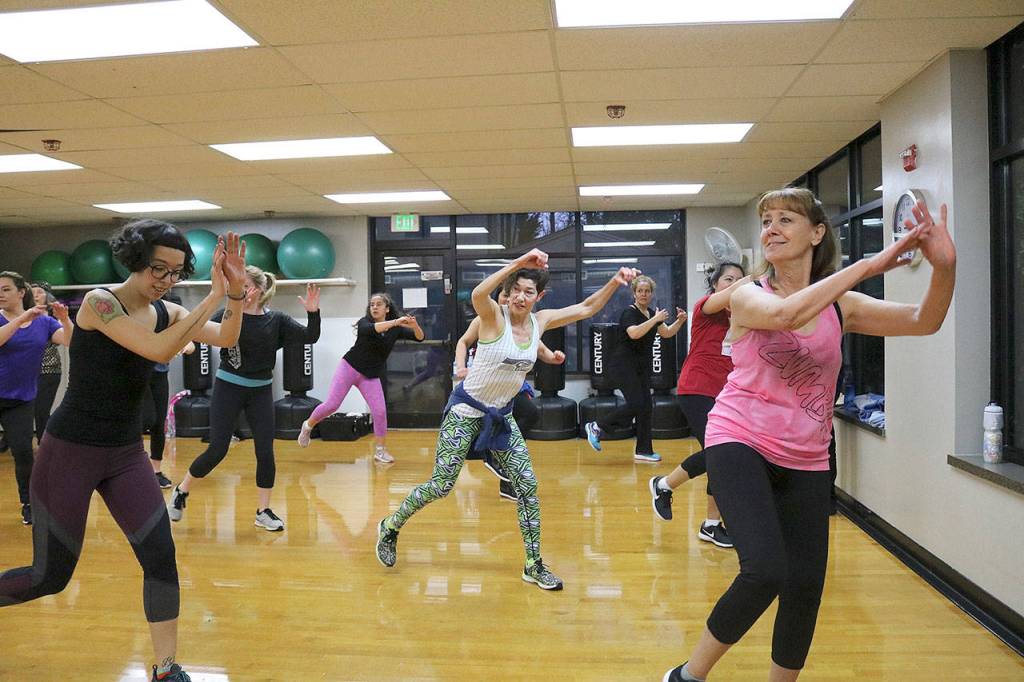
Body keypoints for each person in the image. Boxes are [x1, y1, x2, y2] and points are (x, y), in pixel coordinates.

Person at [664, 188, 955, 682]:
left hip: (807, 457)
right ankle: (688, 676)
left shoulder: (842, 306)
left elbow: (923, 321)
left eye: (786, 220)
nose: (771, 228)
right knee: (765, 571)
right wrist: (869, 266)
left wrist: (945, 266)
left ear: (817, 233)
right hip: (740, 438)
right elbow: (786, 315)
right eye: (767, 221)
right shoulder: (747, 293)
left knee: (804, 585)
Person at [0, 219, 247, 682]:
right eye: (158, 268)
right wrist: (211, 296)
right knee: (48, 577)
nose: (166, 280)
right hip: (69, 451)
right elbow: (156, 351)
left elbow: (226, 338)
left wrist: (233, 293)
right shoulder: (99, 302)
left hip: (124, 453)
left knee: (160, 557)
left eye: (175, 272)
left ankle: (166, 668)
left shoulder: (168, 312)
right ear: (135, 261)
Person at [375, 249, 637, 591]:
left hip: (502, 417)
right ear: (510, 291)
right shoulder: (491, 317)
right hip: (465, 413)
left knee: (527, 486)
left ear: (538, 297)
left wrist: (615, 283)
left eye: (530, 292)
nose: (522, 297)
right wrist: (517, 265)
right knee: (441, 485)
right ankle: (391, 526)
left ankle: (533, 564)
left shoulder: (539, 322)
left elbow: (585, 308)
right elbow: (477, 294)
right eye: (518, 290)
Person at [169, 267, 321, 532]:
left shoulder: (277, 320)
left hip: (260, 391)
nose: (239, 291)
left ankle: (263, 511)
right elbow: (200, 332)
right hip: (228, 388)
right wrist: (185, 340)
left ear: (259, 290)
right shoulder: (228, 315)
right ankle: (182, 491)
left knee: (265, 451)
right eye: (237, 287)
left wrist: (313, 311)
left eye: (245, 286)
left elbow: (311, 336)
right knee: (218, 449)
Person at [648, 262, 748, 548]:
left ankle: (672, 492)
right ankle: (673, 493)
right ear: (715, 284)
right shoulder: (706, 307)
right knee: (719, 454)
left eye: (738, 279)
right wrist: (756, 278)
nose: (734, 284)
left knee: (721, 457)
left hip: (726, 394)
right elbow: (728, 296)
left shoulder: (741, 315)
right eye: (728, 279)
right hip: (697, 389)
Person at [454, 277, 566, 501]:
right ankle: (491, 454)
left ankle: (503, 471)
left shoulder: (525, 325)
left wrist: (553, 357)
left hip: (512, 384)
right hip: (487, 384)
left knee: (528, 416)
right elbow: (463, 341)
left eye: (518, 295)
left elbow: (541, 349)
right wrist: (461, 365)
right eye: (506, 295)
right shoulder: (487, 319)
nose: (513, 299)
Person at [297, 292, 423, 463]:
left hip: (369, 375)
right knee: (332, 405)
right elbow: (373, 329)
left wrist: (414, 326)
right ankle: (308, 425)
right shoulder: (365, 323)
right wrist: (396, 321)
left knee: (379, 411)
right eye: (372, 304)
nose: (375, 307)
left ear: (387, 308)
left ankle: (380, 451)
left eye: (379, 304)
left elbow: (420, 338)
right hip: (349, 367)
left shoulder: (395, 330)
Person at [584, 275, 687, 462]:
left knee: (646, 407)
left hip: (640, 368)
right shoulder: (629, 313)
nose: (644, 294)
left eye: (647, 291)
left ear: (651, 293)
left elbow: (666, 333)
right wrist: (655, 319)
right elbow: (634, 333)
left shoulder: (651, 313)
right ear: (634, 293)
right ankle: (597, 426)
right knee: (637, 404)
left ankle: (644, 450)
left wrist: (680, 321)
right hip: (623, 366)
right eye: (640, 291)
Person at [0, 272, 73, 525]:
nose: (1, 293)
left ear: (21, 293)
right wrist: (23, 316)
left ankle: (28, 504)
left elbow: (69, 341)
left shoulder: (43, 323)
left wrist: (65, 320)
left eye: (6, 289)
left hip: (20, 400)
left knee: (23, 453)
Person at [29, 281, 65, 444]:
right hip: (25, 371)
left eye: (39, 292)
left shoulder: (52, 320)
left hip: (48, 371)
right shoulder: (20, 317)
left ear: (48, 298)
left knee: (41, 410)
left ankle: (44, 444)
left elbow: (62, 339)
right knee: (21, 408)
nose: (35, 295)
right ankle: (10, 439)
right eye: (32, 292)